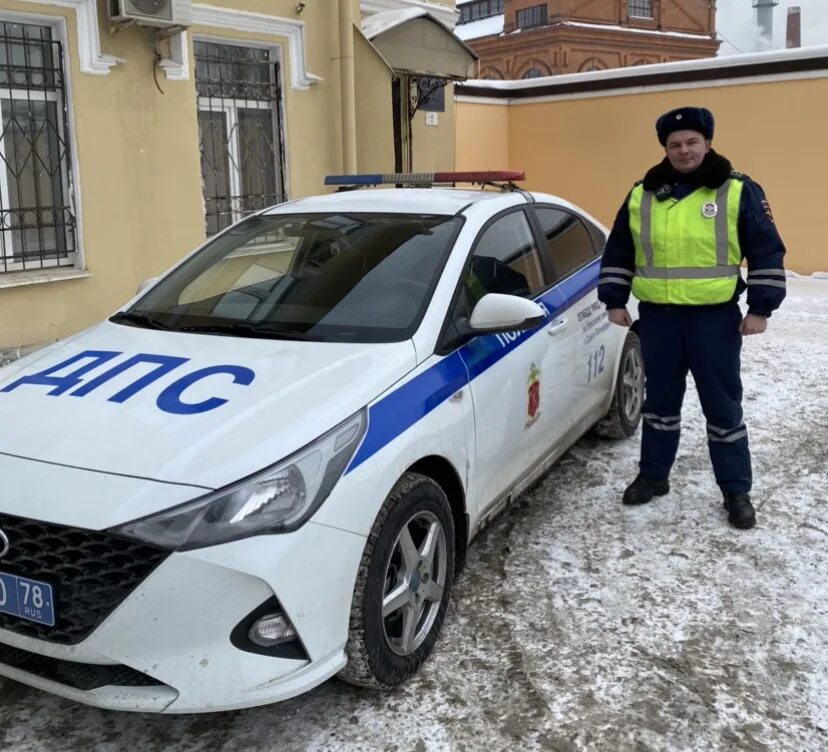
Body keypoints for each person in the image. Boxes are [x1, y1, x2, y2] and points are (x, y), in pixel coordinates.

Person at [598, 106, 786, 530]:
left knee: (722, 407)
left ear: (708, 144)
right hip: (659, 319)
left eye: (691, 142)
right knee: (659, 404)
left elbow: (766, 250)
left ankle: (736, 490)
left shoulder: (738, 191)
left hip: (714, 320)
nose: (683, 151)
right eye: (675, 144)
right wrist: (614, 298)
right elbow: (619, 251)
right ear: (665, 148)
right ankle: (653, 475)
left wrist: (761, 307)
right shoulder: (642, 193)